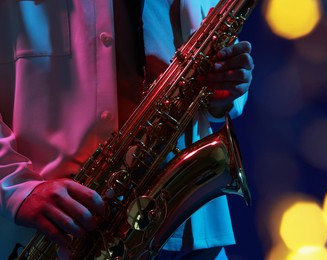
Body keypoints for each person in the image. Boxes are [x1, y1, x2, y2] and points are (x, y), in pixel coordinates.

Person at [0, 0, 254, 259]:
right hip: (65, 236)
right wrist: (15, 189)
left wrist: (226, 89)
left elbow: (212, 68)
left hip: (190, 235)